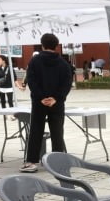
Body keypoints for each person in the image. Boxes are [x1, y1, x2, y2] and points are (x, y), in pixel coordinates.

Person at [20, 32, 73, 173]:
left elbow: (31, 80)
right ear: (56, 46)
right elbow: (67, 83)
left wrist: (41, 97)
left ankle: (31, 162)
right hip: (57, 102)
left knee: (36, 130)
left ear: (42, 45)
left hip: (39, 102)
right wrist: (56, 98)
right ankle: (57, 162)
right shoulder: (63, 63)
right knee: (57, 131)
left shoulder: (34, 61)